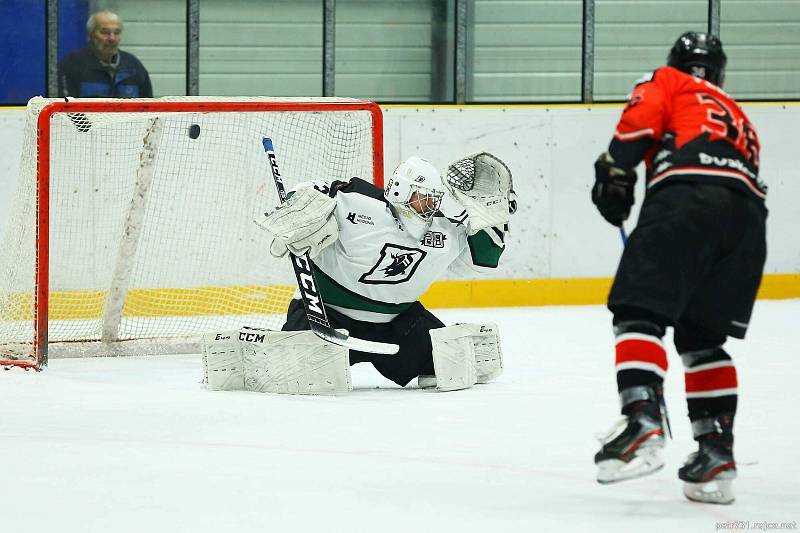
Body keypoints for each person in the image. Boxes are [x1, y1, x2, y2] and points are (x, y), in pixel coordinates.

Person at [591, 31, 767, 504]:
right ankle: (716, 454)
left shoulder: (667, 80)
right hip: (748, 222)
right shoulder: (737, 112)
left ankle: (642, 421)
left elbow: (638, 124)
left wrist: (617, 171)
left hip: (687, 199)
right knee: (702, 338)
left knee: (636, 312)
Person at [257, 153, 516, 390]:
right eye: (422, 198)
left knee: (451, 367)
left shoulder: (444, 230)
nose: (428, 207)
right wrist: (300, 213)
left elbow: (481, 261)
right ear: (401, 191)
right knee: (290, 375)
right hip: (324, 317)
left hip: (394, 327)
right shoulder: (357, 203)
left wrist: (490, 218)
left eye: (433, 201)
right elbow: (311, 190)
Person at [58, 10, 153, 98]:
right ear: (91, 35)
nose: (112, 38)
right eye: (105, 32)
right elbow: (65, 108)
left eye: (117, 32)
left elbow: (148, 108)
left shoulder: (134, 66)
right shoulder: (72, 65)